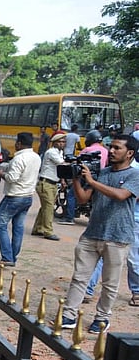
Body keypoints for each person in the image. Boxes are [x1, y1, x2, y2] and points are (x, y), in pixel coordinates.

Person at [59, 135, 139, 333]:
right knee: (79, 277)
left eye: (117, 148)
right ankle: (69, 315)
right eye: (110, 147)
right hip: (92, 233)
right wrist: (76, 179)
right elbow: (83, 198)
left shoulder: (134, 175)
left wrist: (92, 182)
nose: (111, 151)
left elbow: (121, 195)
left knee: (110, 283)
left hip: (118, 237)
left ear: (129, 153)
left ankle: (102, 318)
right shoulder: (102, 173)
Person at [0, 132, 41, 268]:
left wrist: (0, 173)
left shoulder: (19, 159)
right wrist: (6, 166)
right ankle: (12, 256)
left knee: (0, 223)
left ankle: (7, 256)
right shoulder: (36, 157)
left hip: (15, 196)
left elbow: (12, 178)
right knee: (18, 227)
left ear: (19, 144)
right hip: (27, 196)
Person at [59, 129, 108, 225]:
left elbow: (78, 162)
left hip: (85, 176)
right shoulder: (105, 150)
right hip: (98, 177)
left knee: (71, 195)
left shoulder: (87, 150)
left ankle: (69, 218)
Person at [31, 132, 67, 240]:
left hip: (53, 183)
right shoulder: (52, 152)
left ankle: (38, 228)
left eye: (64, 142)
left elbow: (59, 169)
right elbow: (62, 164)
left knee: (46, 207)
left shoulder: (59, 152)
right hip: (46, 183)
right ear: (54, 143)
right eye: (60, 142)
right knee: (49, 208)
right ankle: (48, 231)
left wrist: (62, 180)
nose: (62, 144)